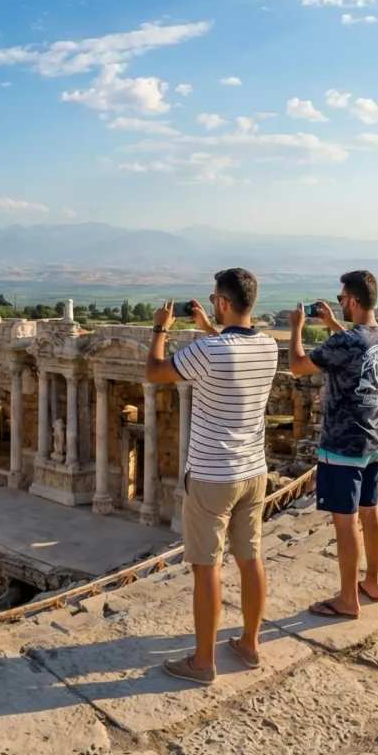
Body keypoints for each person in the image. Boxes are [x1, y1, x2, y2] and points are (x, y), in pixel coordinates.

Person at [146, 268, 277, 685]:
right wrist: (208, 327)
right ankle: (250, 645)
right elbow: (228, 352)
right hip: (253, 471)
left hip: (211, 475)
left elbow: (155, 371)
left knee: (207, 567)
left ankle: (203, 662)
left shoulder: (209, 353)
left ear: (222, 303)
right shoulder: (269, 347)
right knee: (251, 558)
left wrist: (159, 330)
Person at [289, 269, 378, 619]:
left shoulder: (345, 343)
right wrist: (334, 323)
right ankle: (373, 582)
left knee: (346, 521)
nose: (341, 305)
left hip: (341, 446)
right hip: (373, 442)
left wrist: (297, 328)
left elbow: (297, 366)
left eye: (341, 300)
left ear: (352, 300)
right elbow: (358, 352)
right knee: (371, 510)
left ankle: (348, 599)